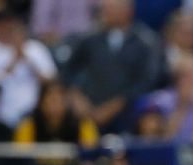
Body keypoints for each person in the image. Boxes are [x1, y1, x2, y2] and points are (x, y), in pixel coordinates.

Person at [61, 0, 165, 133]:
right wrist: (76, 96)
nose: (109, 13)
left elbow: (148, 80)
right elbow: (68, 71)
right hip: (89, 112)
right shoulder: (89, 38)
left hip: (129, 116)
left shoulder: (145, 41)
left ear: (129, 11)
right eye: (106, 8)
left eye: (114, 8)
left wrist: (117, 104)